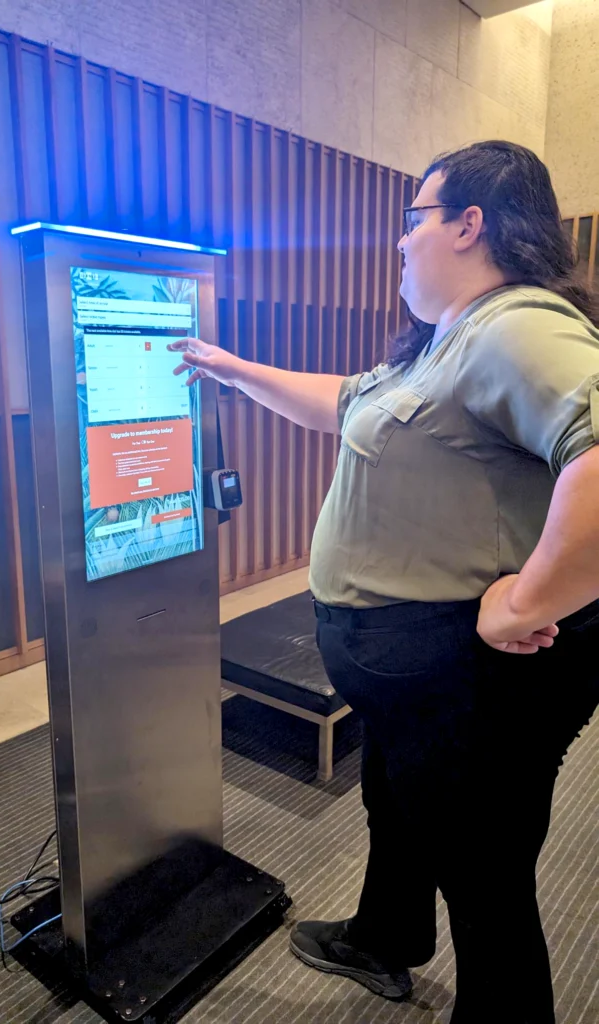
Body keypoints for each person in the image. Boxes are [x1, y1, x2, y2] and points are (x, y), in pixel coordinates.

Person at [169, 141, 599, 1024]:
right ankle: (385, 935)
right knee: (395, 796)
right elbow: (343, 402)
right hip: (412, 675)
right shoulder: (445, 341)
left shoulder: (516, 325)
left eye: (412, 219)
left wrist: (523, 603)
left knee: (483, 870)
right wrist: (232, 369)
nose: (399, 241)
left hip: (472, 676)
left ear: (468, 224)